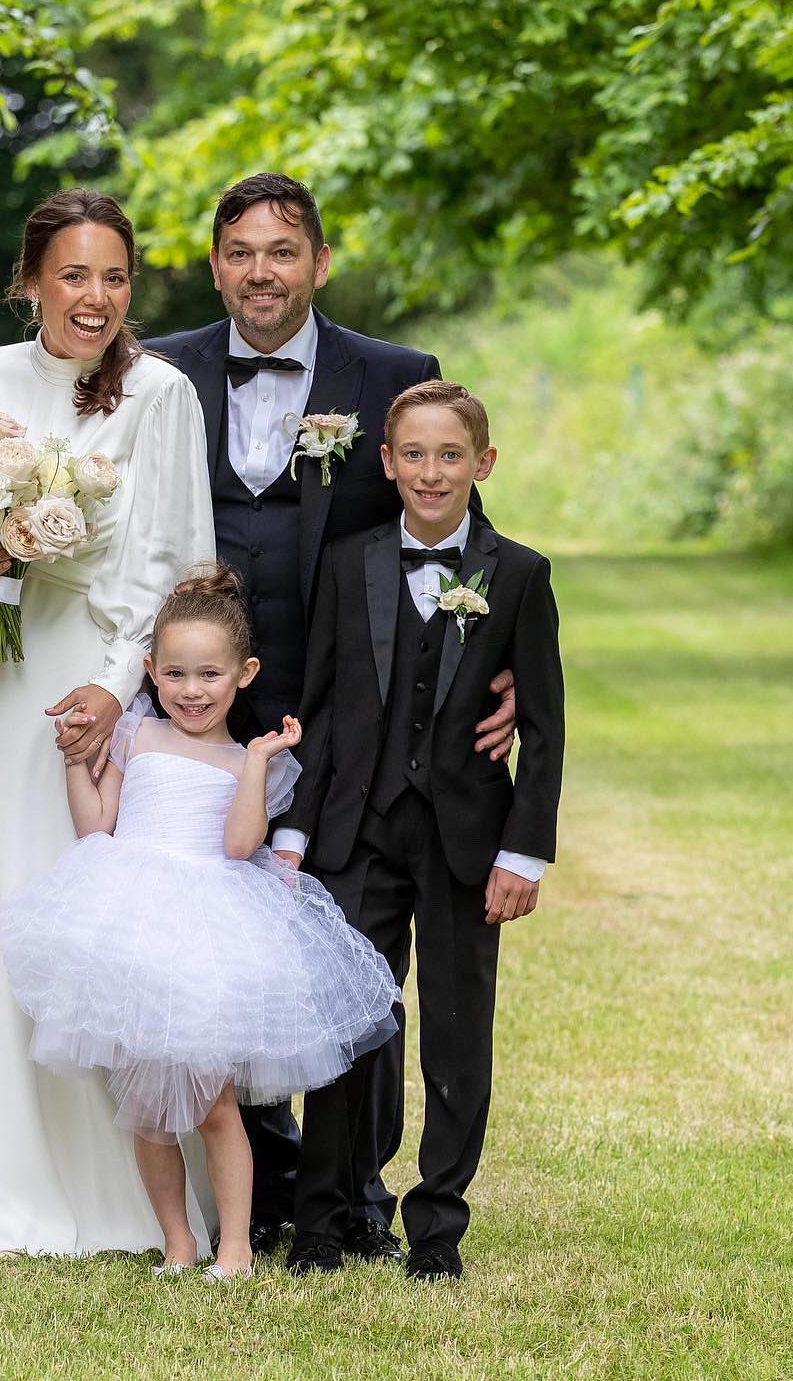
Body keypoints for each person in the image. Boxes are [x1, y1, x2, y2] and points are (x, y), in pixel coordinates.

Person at [145, 171, 518, 1259]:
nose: (262, 272)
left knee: (346, 958)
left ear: (317, 261)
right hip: (194, 708)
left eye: (283, 251)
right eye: (241, 253)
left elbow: (460, 539)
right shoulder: (161, 371)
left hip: (349, 716)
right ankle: (258, 1187)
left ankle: (349, 1194)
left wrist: (488, 672)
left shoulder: (394, 379)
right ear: (216, 265)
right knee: (210, 947)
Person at [0, 190, 218, 1257]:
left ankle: (121, 1193)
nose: (96, 298)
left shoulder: (163, 393)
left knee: (89, 919)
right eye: (74, 275)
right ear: (30, 280)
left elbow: (182, 558)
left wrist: (120, 685)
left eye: (116, 278)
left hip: (93, 677)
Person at [0, 565, 399, 1281]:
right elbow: (98, 831)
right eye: (175, 673)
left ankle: (236, 1247)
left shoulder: (249, 759)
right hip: (135, 923)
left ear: (243, 674)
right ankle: (178, 1241)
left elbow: (241, 847)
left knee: (215, 1105)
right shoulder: (137, 737)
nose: (191, 690)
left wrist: (256, 763)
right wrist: (73, 771)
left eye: (209, 674)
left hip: (210, 928)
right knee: (147, 1109)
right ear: (150, 671)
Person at [278, 380, 564, 1281]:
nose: (431, 472)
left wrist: (523, 852)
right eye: (413, 454)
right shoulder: (350, 561)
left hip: (465, 842)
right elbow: (320, 709)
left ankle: (437, 1226)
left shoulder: (518, 574)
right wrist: (294, 834)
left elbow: (546, 727)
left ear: (482, 465)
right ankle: (323, 1219)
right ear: (386, 462)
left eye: (451, 456)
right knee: (347, 1022)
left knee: (453, 1027)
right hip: (355, 830)